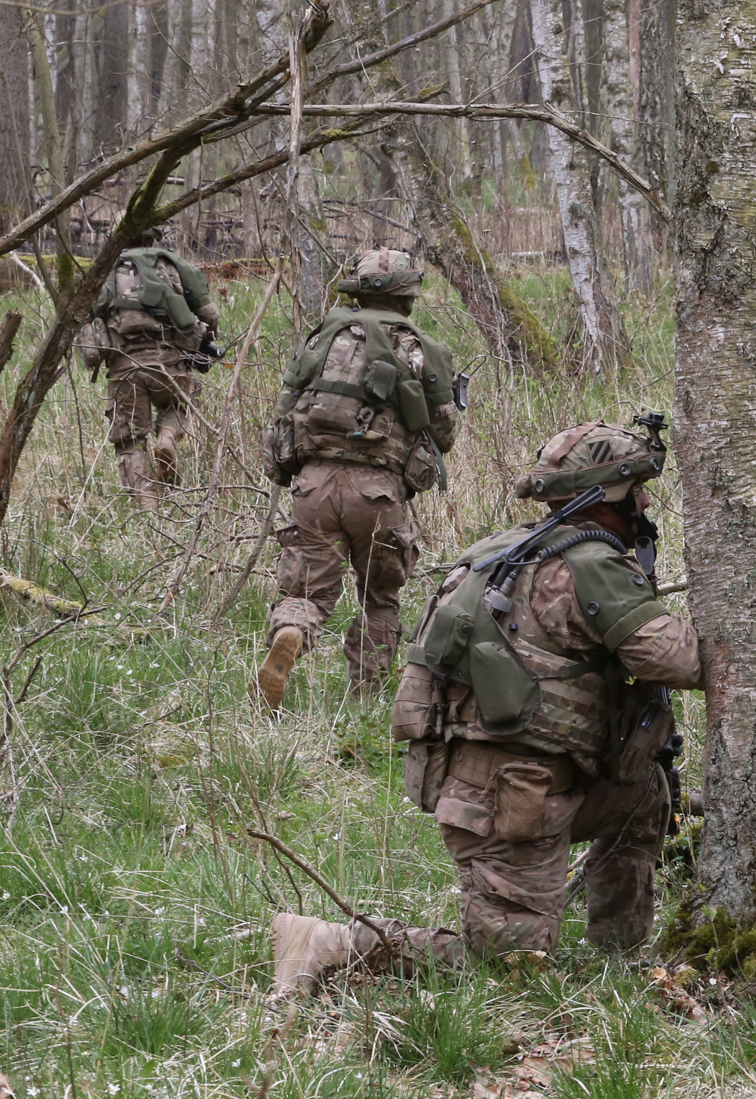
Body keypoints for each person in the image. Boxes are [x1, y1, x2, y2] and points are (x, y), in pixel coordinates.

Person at [269, 418, 703, 994]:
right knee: (505, 970)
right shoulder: (590, 562)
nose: (645, 503)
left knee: (645, 792)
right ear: (602, 497)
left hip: (512, 780)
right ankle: (329, 943)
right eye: (636, 491)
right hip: (511, 800)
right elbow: (672, 659)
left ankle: (616, 961)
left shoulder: (499, 552)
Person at [256, 248, 460, 708]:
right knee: (381, 596)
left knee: (306, 591)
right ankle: (363, 698)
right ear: (407, 294)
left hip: (314, 485)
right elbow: (443, 432)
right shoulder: (420, 347)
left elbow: (284, 410)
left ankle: (291, 630)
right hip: (379, 494)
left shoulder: (323, 337)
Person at [76, 230, 219, 500]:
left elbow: (82, 318)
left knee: (129, 439)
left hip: (126, 366)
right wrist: (206, 342)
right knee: (178, 405)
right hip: (172, 361)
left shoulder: (102, 271)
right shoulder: (173, 264)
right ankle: (166, 437)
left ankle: (147, 506)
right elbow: (210, 315)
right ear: (152, 239)